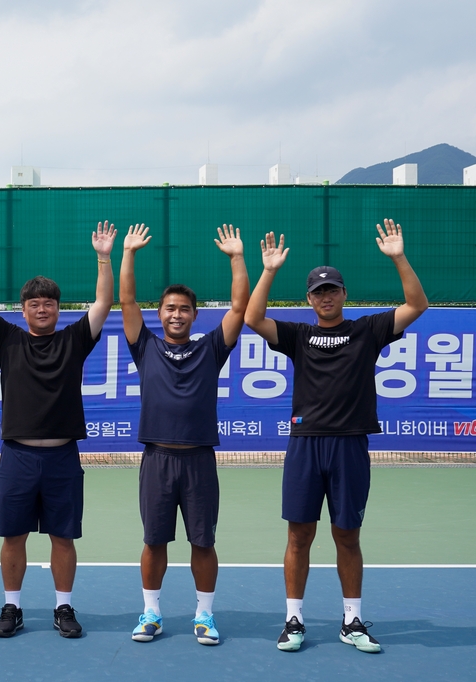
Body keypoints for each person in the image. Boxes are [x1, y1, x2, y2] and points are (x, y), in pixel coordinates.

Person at [244, 220, 428, 653]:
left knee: (347, 535)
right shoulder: (299, 335)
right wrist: (268, 270)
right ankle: (293, 619)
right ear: (308, 300)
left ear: (344, 294)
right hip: (306, 446)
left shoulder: (368, 330)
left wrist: (399, 257)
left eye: (332, 290)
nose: (325, 297)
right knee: (298, 536)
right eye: (318, 292)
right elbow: (252, 318)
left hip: (350, 444)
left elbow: (417, 304)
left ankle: (352, 621)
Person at [0, 219, 116, 639]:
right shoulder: (8, 339)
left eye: (49, 302)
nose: (42, 307)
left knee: (63, 538)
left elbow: (104, 302)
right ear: (23, 308)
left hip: (62, 457)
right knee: (13, 536)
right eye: (34, 302)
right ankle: (12, 608)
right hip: (17, 457)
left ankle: (63, 607)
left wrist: (104, 257)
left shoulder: (74, 340)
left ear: (57, 307)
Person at [120, 223, 248, 646]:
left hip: (198, 461)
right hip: (156, 459)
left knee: (202, 542)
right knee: (154, 541)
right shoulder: (145, 346)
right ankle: (151, 612)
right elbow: (125, 299)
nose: (176, 314)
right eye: (170, 308)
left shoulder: (211, 348)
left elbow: (240, 305)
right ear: (160, 314)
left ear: (195, 315)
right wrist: (128, 253)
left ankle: (204, 616)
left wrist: (236, 258)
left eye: (184, 309)